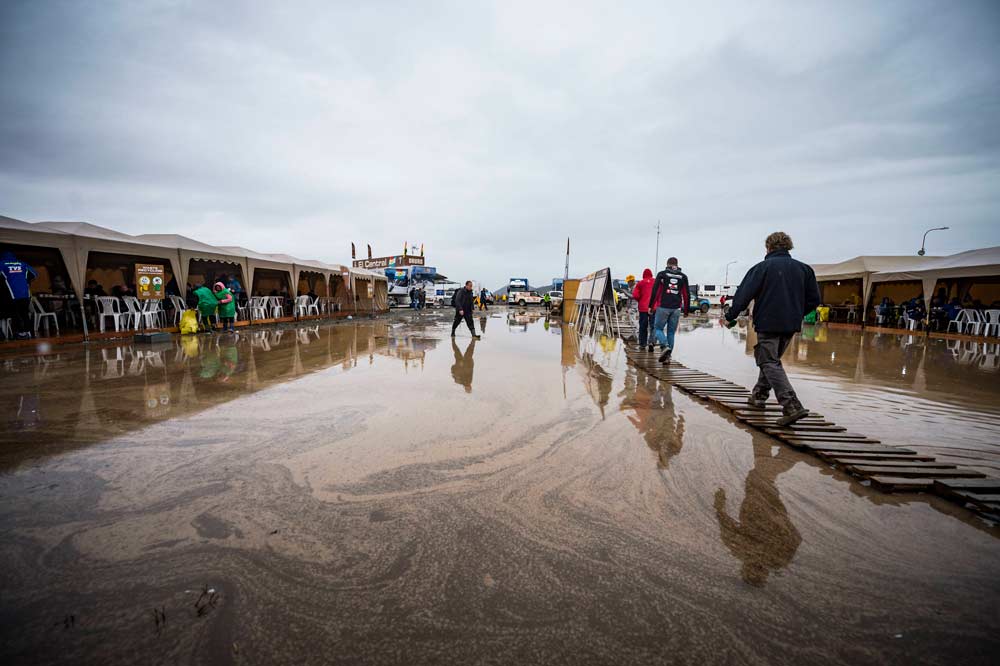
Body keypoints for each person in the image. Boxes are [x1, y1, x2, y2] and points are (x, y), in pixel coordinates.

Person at [724, 231, 820, 426]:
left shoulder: (762, 268)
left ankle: (791, 405)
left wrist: (730, 315)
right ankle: (759, 395)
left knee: (769, 361)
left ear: (768, 247)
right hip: (790, 324)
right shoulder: (804, 270)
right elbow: (814, 300)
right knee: (771, 361)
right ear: (788, 247)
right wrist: (796, 313)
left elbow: (743, 295)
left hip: (768, 322)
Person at [648, 257, 690, 363]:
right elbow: (686, 294)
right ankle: (667, 358)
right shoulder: (683, 277)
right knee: (671, 332)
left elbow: (655, 291)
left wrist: (651, 306)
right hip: (676, 309)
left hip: (663, 307)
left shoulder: (662, 274)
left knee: (658, 329)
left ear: (667, 264)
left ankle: (665, 346)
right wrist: (686, 310)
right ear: (677, 264)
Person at [1, 251, 37, 339]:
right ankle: (29, 333)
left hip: (11, 294)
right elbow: (34, 274)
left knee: (15, 314)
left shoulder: (1, 263)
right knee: (24, 313)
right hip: (25, 294)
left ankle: (20, 333)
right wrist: (24, 280)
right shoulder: (22, 263)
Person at [631, 268, 659, 352]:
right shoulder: (656, 281)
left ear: (643, 275)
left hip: (643, 308)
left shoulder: (640, 283)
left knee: (643, 326)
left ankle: (643, 344)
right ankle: (652, 341)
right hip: (654, 307)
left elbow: (635, 295)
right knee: (654, 325)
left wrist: (641, 300)